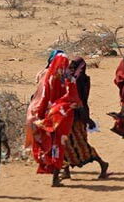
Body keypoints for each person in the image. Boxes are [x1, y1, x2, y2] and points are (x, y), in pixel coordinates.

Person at [25, 51, 81, 187]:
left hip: (49, 117)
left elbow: (42, 98)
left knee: (50, 143)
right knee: (59, 144)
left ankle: (56, 171)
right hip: (63, 117)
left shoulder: (49, 78)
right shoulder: (69, 79)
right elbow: (74, 98)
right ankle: (56, 177)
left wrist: (39, 115)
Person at [62, 57, 110, 179]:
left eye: (74, 66)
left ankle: (102, 164)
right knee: (65, 143)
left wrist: (86, 118)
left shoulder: (79, 80)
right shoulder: (72, 78)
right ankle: (66, 170)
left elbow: (79, 100)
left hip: (78, 114)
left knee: (80, 144)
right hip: (68, 113)